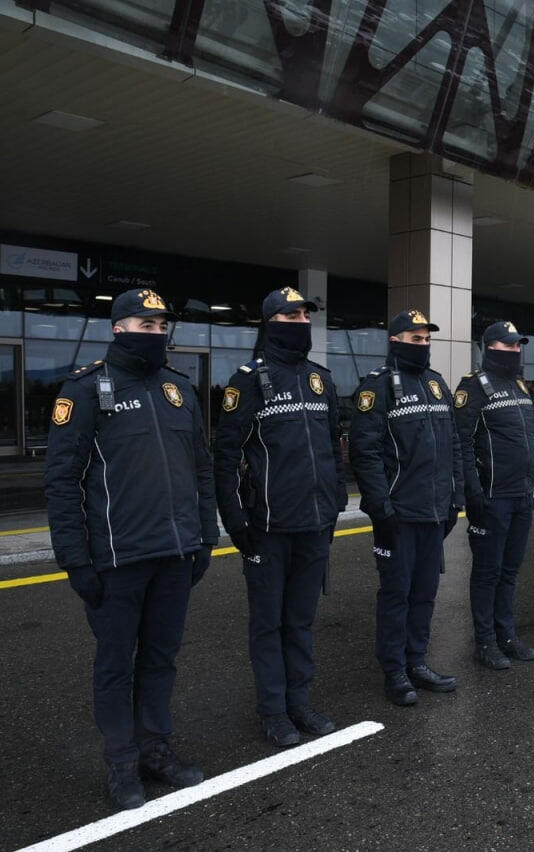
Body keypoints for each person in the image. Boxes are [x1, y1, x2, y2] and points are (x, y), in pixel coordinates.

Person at [44, 288, 216, 810]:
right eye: (145, 325)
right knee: (116, 665)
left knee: (162, 659)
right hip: (115, 562)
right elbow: (61, 482)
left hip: (173, 554)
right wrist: (75, 560)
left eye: (162, 325)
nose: (156, 333)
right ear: (118, 328)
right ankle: (121, 765)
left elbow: (202, 470)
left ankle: (155, 750)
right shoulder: (85, 391)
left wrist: (205, 537)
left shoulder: (179, 390)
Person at [214, 287, 345, 747]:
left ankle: (299, 701)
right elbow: (226, 456)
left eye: (305, 313)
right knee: (268, 624)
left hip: (314, 525)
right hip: (266, 529)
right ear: (271, 321)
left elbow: (333, 448)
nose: (301, 320)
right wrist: (236, 524)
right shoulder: (247, 380)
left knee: (301, 621)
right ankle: (273, 711)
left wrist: (333, 508)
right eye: (291, 314)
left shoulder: (320, 379)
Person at [349, 310, 463, 706]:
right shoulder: (375, 388)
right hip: (400, 514)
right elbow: (364, 454)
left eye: (426, 339)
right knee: (396, 594)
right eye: (415, 339)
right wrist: (382, 508)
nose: (423, 345)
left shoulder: (436, 384)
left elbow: (455, 446)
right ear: (395, 341)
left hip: (435, 511)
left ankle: (417, 661)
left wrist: (456, 497)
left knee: (425, 593)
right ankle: (394, 670)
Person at [455, 321, 534, 670]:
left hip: (522, 494)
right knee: (488, 573)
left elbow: (533, 437)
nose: (515, 352)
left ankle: (507, 635)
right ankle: (485, 642)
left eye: (518, 346)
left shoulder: (520, 385)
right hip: (492, 497)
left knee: (510, 571)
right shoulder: (473, 387)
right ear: (490, 347)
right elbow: (461, 442)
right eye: (508, 346)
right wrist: (473, 491)